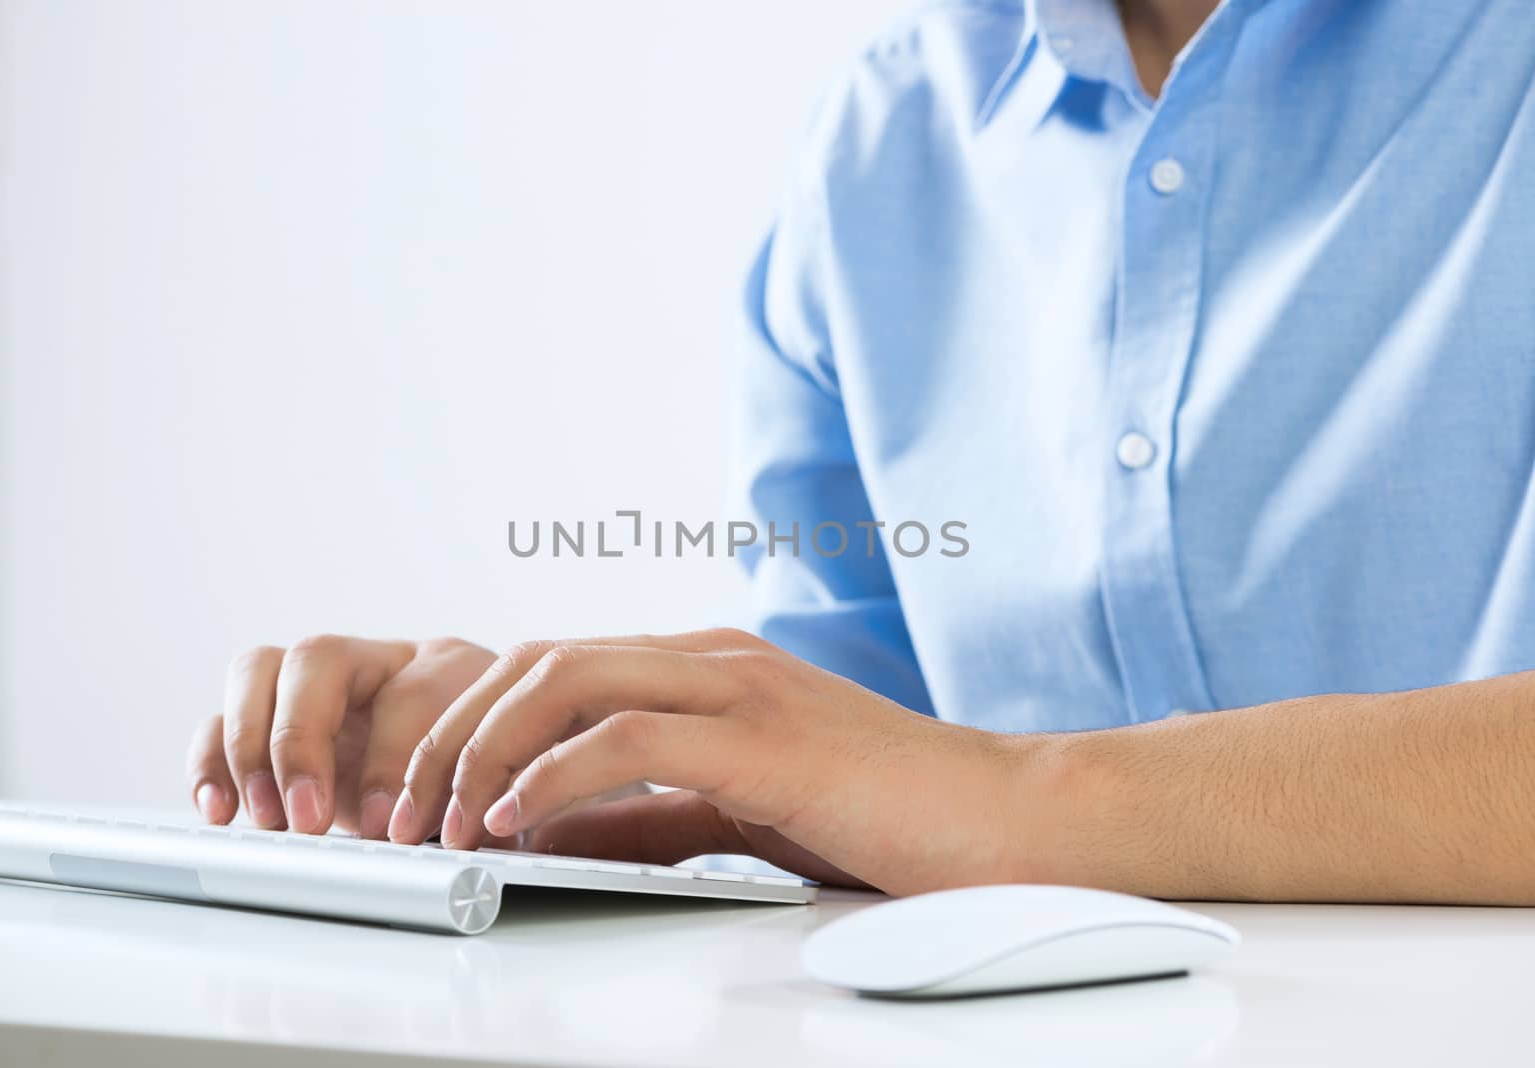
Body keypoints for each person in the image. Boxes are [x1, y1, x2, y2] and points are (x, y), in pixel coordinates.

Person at [185, 0, 1535, 903]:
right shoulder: (882, 142)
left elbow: (965, 795)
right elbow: (861, 761)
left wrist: (1029, 794)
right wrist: (561, 751)